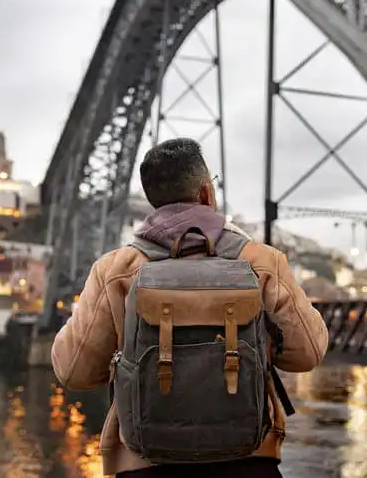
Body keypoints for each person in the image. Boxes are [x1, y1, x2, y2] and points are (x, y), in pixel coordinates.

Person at [51, 137, 329, 477]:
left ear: (153, 201)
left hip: (144, 463)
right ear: (206, 194)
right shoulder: (260, 261)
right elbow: (308, 353)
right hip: (249, 460)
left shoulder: (116, 269)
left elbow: (74, 371)